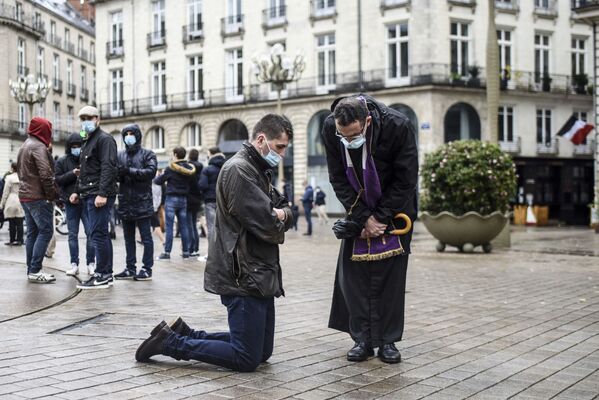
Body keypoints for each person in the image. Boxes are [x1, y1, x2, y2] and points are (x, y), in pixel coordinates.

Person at [136, 114, 294, 372]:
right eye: (280, 147)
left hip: (260, 270)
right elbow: (269, 224)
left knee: (261, 351)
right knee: (246, 358)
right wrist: (278, 215)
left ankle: (186, 333)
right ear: (262, 139)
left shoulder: (258, 170)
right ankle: (170, 343)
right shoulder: (239, 170)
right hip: (243, 273)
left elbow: (286, 210)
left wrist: (282, 213)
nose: (282, 154)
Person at [321, 95, 418, 364]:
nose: (348, 141)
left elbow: (406, 178)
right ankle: (361, 339)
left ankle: (388, 341)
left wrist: (381, 217)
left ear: (367, 121)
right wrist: (364, 218)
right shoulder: (331, 127)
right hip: (357, 209)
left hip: (396, 210)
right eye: (344, 136)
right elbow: (337, 177)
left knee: (391, 277)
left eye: (353, 135)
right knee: (354, 278)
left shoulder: (398, 125)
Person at [69, 105, 118, 289]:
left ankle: (103, 274)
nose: (85, 122)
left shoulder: (104, 139)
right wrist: (76, 190)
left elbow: (109, 167)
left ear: (98, 119)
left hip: (99, 194)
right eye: (82, 118)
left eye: (89, 117)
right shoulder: (88, 140)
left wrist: (102, 193)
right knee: (100, 234)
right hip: (89, 193)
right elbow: (84, 171)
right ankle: (106, 274)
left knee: (98, 234)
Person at [114, 124, 158, 281]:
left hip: (142, 202)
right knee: (128, 238)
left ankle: (147, 268)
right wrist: (118, 174)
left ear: (138, 136)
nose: (129, 136)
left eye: (132, 133)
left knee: (146, 238)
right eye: (126, 134)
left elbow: (150, 172)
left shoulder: (148, 154)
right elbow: (114, 174)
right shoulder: (120, 155)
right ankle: (130, 267)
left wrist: (130, 171)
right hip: (125, 202)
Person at [17, 117, 58, 283]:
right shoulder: (39, 147)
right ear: (43, 130)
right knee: (46, 231)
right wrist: (51, 196)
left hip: (25, 195)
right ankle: (35, 269)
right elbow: (46, 174)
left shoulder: (25, 145)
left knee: (33, 232)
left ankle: (31, 270)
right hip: (38, 197)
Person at [55, 133, 95, 276]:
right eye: (74, 147)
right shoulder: (62, 161)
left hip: (86, 201)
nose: (76, 149)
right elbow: (58, 180)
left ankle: (91, 263)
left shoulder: (87, 159)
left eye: (79, 146)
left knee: (91, 233)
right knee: (72, 234)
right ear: (69, 147)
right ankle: (74, 264)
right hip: (70, 203)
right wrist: (72, 173)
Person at [153, 147, 196, 260]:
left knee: (169, 226)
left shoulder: (170, 168)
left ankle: (167, 252)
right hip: (183, 199)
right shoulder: (189, 168)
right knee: (184, 226)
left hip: (171, 199)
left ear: (176, 154)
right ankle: (186, 252)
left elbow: (158, 181)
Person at [197, 146, 225, 261]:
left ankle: (212, 255)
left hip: (210, 201)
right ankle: (223, 254)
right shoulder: (226, 167)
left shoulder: (207, 169)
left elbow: (202, 185)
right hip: (223, 201)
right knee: (223, 228)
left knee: (211, 228)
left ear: (211, 154)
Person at [1, 163, 24, 246]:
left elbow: (5, 192)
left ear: (12, 168)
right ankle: (20, 240)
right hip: (21, 199)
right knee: (20, 221)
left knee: (12, 222)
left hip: (11, 199)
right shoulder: (23, 177)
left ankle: (12, 240)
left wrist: (2, 204)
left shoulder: (9, 178)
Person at [186, 148, 204, 257]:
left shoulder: (188, 167)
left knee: (190, 225)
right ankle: (196, 248)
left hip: (189, 198)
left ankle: (191, 248)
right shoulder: (201, 167)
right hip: (198, 198)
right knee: (193, 224)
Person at [151, 170, 165, 245]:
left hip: (151, 206)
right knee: (152, 222)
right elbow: (159, 195)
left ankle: (163, 240)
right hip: (155, 205)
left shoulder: (153, 183)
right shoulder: (158, 183)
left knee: (155, 223)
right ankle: (141, 238)